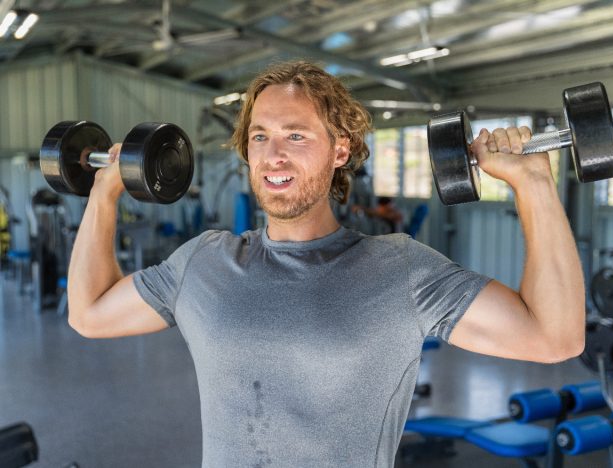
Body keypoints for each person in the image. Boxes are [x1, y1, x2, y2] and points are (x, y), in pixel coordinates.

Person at [67, 61, 585, 467]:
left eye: (296, 136)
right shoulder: (202, 262)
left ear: (340, 150)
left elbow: (553, 335)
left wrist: (533, 184)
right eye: (260, 136)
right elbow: (88, 313)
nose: (273, 155)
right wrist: (104, 192)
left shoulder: (400, 270)